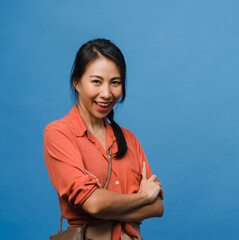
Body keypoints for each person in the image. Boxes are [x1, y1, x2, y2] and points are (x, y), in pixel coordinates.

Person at [44, 38, 164, 240]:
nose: (107, 94)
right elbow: (94, 203)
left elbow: (158, 206)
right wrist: (142, 197)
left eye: (115, 83)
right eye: (96, 82)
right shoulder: (58, 133)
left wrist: (106, 205)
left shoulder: (129, 139)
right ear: (77, 82)